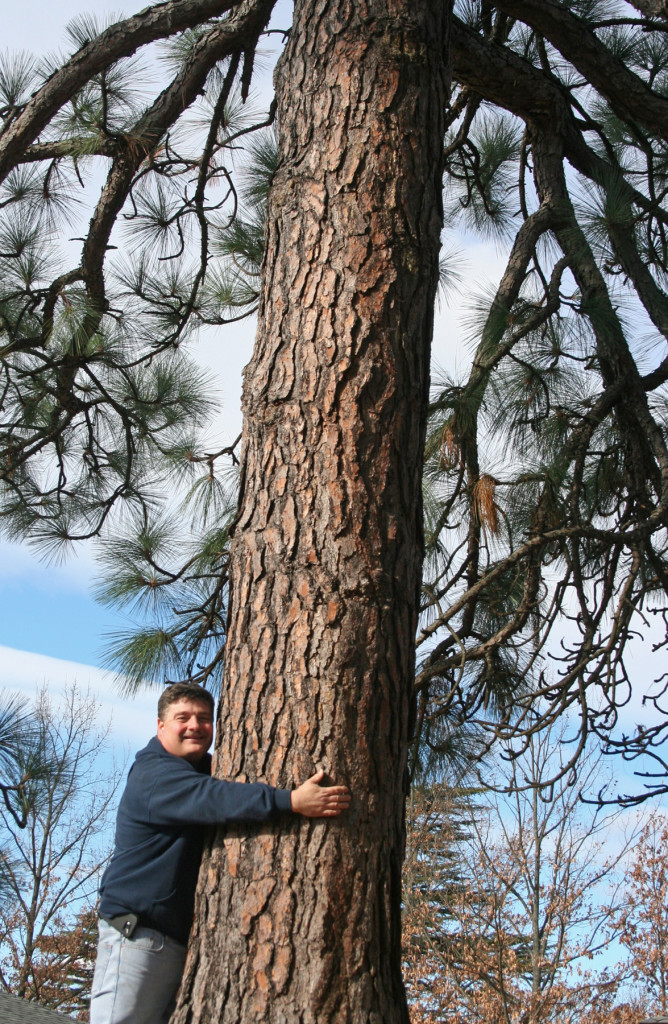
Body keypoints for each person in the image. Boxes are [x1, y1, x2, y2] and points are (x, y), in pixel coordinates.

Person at [90, 682, 350, 1024]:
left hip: (177, 946)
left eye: (204, 718)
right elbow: (214, 799)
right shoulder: (154, 775)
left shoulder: (204, 768)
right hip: (137, 940)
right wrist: (290, 801)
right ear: (160, 725)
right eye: (182, 717)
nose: (195, 725)